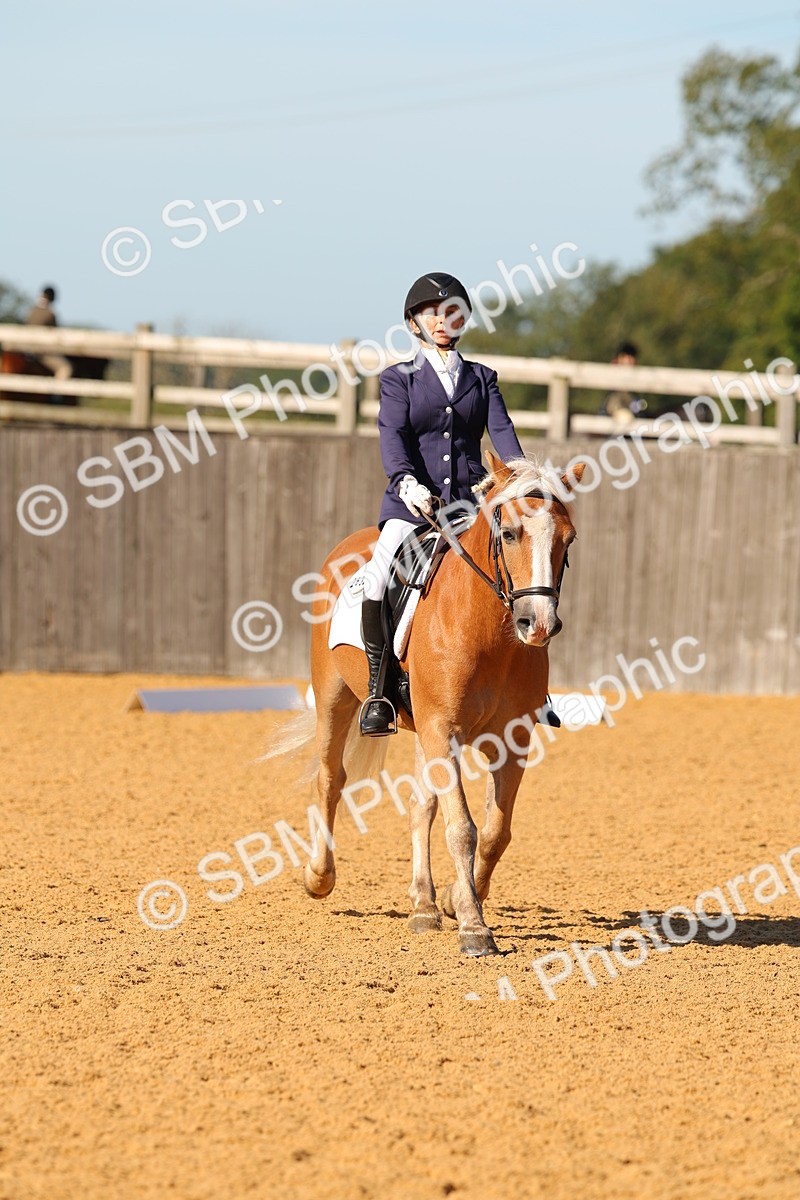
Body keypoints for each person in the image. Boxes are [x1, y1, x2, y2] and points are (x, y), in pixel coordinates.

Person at [358, 271, 524, 736]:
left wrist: (518, 478)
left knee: (520, 570)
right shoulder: (399, 379)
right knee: (377, 579)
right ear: (414, 322)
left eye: (452, 312)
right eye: (432, 313)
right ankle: (379, 691)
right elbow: (393, 436)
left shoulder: (482, 379)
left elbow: (503, 433)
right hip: (413, 506)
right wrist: (406, 481)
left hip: (470, 506)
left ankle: (529, 688)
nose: (442, 320)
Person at [25, 285, 72, 381]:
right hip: (41, 352)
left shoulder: (31, 311)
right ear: (52, 298)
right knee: (65, 368)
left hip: (26, 348)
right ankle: (57, 390)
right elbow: (55, 333)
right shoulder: (50, 313)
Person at [601, 340, 646, 427]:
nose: (628, 360)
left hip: (632, 405)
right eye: (625, 356)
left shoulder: (637, 375)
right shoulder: (613, 371)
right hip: (615, 406)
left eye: (631, 357)